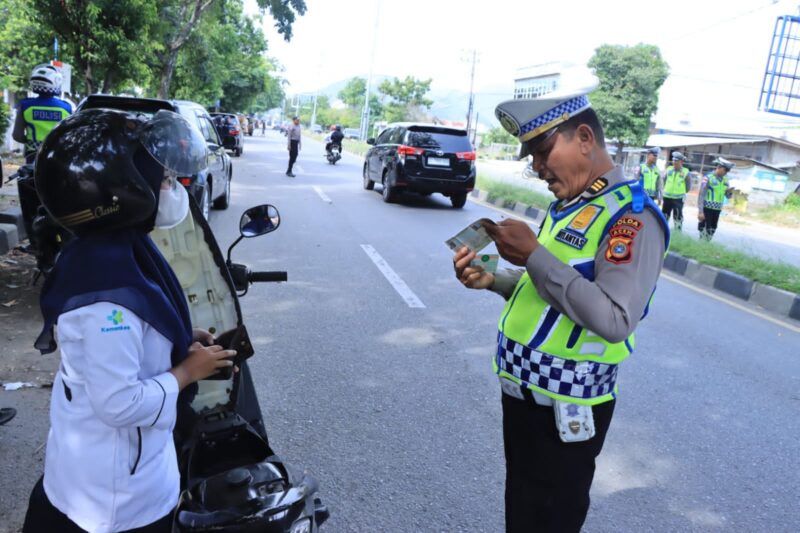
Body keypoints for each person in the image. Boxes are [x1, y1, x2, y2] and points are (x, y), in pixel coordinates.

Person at [455, 76, 669, 533]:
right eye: (531, 157)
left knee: (549, 520)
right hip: (525, 400)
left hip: (566, 409)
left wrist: (533, 254)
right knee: (522, 515)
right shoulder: (571, 205)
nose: (537, 168)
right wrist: (496, 279)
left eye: (542, 151)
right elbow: (555, 290)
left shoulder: (630, 218)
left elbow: (614, 318)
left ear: (584, 138)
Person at [21, 108, 237, 533]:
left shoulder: (115, 251)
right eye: (163, 179)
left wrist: (177, 339)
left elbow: (139, 326)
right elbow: (119, 403)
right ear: (124, 192)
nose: (171, 188)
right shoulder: (105, 298)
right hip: (116, 500)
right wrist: (186, 373)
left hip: (122, 467)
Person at [12, 63, 72, 163]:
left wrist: (31, 143)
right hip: (57, 155)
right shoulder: (66, 107)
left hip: (33, 156)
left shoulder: (25, 106)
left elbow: (17, 136)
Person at [697, 158, 735, 240]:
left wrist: (730, 192)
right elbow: (701, 195)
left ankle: (707, 244)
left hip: (717, 210)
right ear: (719, 167)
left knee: (712, 229)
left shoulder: (725, 180)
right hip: (707, 209)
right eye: (725, 170)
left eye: (727, 171)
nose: (726, 173)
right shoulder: (708, 178)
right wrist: (700, 211)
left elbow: (728, 196)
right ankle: (701, 244)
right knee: (704, 229)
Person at [660, 151, 692, 230]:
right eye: (673, 160)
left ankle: (677, 232)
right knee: (664, 216)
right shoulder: (668, 169)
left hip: (678, 199)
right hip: (667, 197)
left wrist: (681, 192)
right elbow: (663, 181)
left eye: (676, 161)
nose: (674, 162)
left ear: (681, 162)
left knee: (678, 217)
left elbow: (688, 187)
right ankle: (662, 231)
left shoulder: (686, 172)